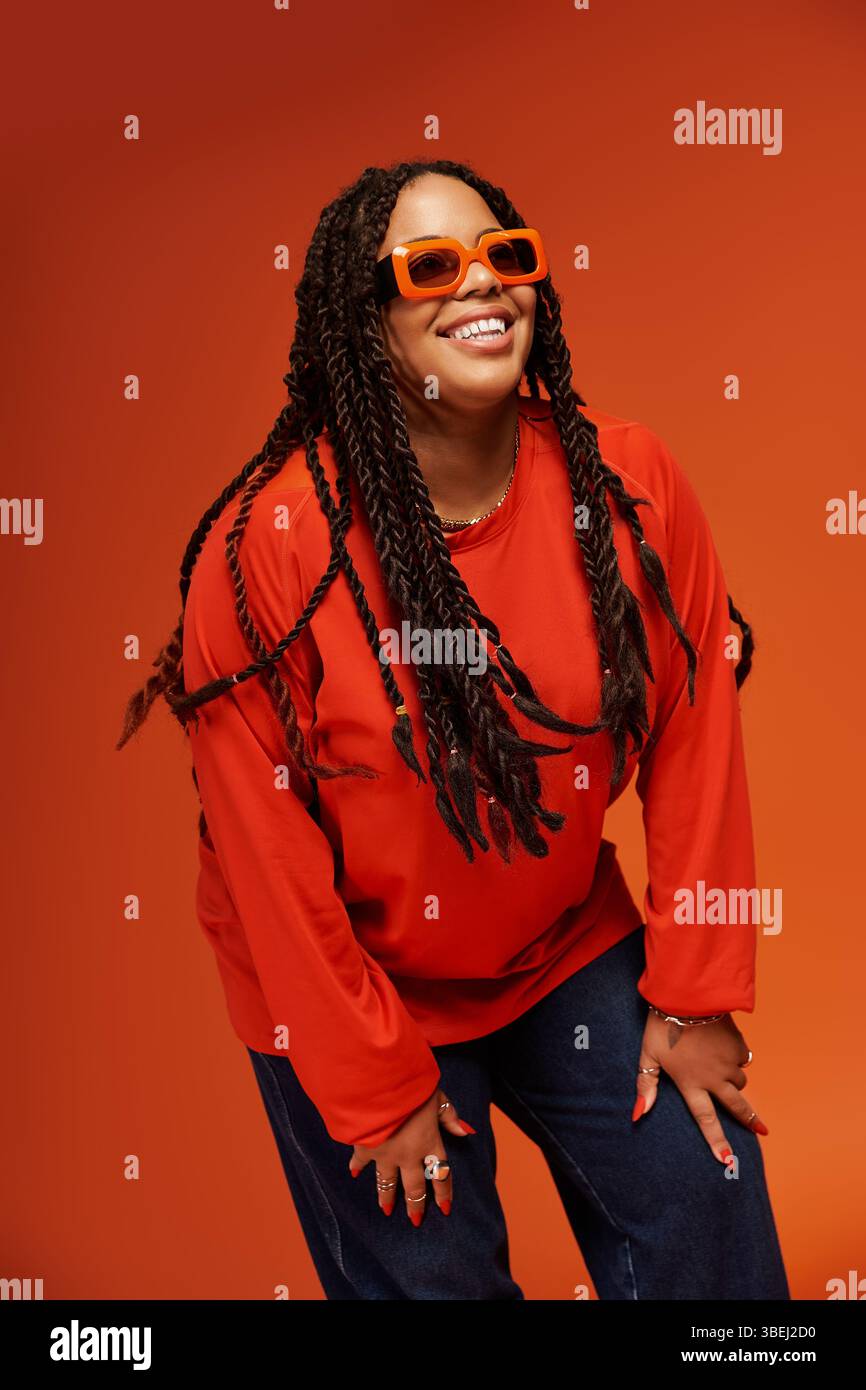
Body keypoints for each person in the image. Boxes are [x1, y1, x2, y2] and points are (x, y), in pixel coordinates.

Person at [118, 157, 790, 1301]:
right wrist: (373, 1085)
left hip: (555, 940)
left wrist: (690, 991)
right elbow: (264, 858)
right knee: (431, 1278)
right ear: (362, 320)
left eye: (504, 256)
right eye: (430, 267)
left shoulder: (623, 486)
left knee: (703, 1199)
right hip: (349, 979)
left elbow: (691, 734)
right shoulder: (271, 546)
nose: (481, 287)